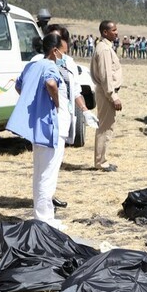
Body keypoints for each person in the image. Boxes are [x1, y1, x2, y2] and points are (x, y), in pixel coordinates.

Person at [7, 33, 69, 231]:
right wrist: (55, 102)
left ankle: (41, 214)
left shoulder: (31, 66)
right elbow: (51, 84)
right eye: (63, 50)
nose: (64, 54)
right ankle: (45, 219)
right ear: (54, 50)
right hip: (50, 124)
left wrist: (34, 101)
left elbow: (19, 86)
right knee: (49, 172)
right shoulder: (50, 66)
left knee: (40, 170)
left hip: (37, 124)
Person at [41, 24, 100, 208]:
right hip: (47, 118)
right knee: (45, 163)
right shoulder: (39, 61)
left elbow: (75, 90)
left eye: (58, 40)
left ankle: (49, 195)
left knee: (55, 161)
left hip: (64, 118)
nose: (55, 44)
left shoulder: (69, 62)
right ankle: (44, 201)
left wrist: (85, 111)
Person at [90, 20, 123, 171]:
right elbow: (106, 76)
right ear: (105, 32)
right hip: (106, 93)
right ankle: (101, 162)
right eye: (113, 30)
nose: (116, 32)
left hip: (105, 92)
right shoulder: (103, 50)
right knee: (105, 127)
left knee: (106, 126)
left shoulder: (106, 48)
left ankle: (102, 159)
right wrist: (113, 96)